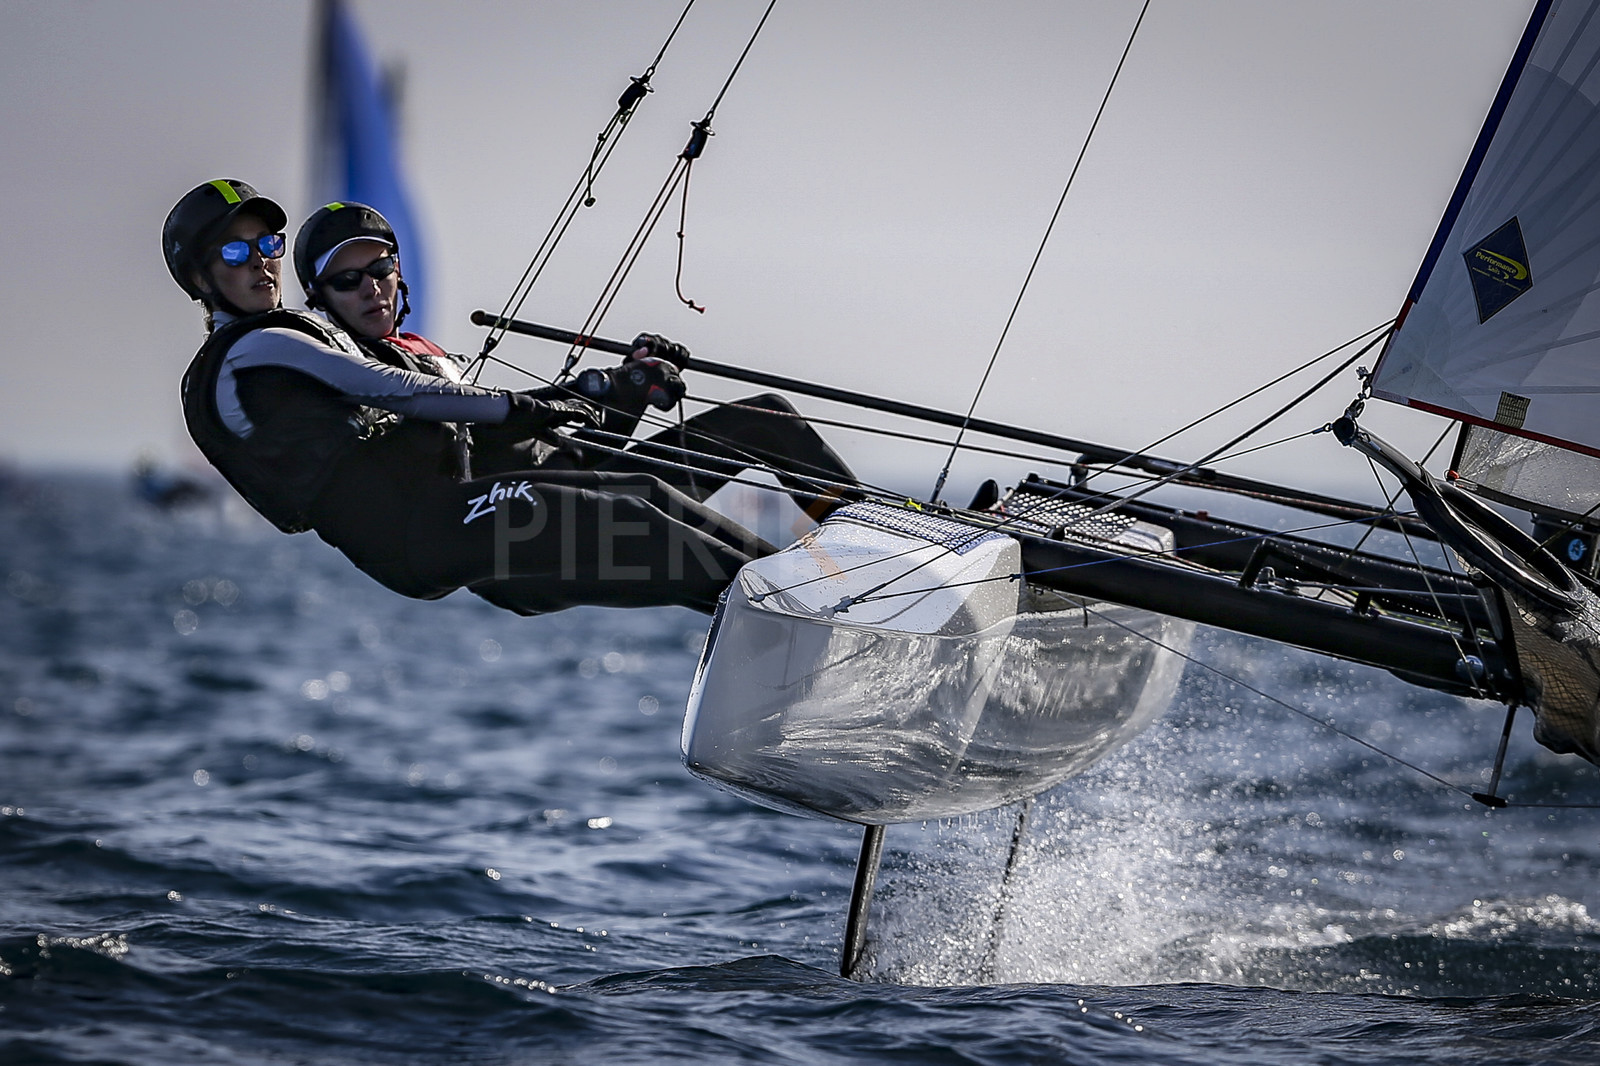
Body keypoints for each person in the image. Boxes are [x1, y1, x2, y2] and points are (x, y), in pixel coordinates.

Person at [165, 178, 774, 614]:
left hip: (444, 524)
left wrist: (611, 391)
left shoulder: (304, 340)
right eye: (236, 252)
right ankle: (788, 601)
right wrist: (540, 403)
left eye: (268, 245)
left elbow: (538, 442)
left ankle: (803, 592)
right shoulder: (252, 349)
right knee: (632, 511)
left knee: (647, 498)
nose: (260, 264)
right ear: (199, 276)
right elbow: (398, 391)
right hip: (417, 535)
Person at [290, 201, 859, 514]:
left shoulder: (427, 354)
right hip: (536, 518)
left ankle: (874, 545)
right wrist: (597, 386)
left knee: (769, 418)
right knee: (725, 542)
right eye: (347, 279)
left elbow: (566, 443)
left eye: (381, 269)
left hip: (584, 480)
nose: (371, 288)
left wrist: (629, 384)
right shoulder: (361, 374)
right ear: (320, 300)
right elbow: (478, 449)